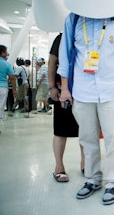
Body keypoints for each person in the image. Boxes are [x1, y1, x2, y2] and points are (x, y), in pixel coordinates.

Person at [58, 13, 114, 205]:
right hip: (82, 90)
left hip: (110, 89)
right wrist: (65, 88)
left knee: (112, 138)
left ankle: (112, 181)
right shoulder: (73, 19)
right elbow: (65, 55)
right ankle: (93, 178)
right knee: (87, 138)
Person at [48, 33, 84, 183]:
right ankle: (59, 167)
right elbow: (52, 62)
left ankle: (85, 163)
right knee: (60, 130)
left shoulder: (87, 33)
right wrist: (52, 87)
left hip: (83, 91)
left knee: (85, 129)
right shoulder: (62, 37)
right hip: (63, 90)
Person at [0, 45, 16, 132]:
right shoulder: (7, 64)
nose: (7, 53)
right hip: (2, 87)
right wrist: (14, 89)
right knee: (0, 106)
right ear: (2, 53)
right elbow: (12, 78)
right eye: (6, 51)